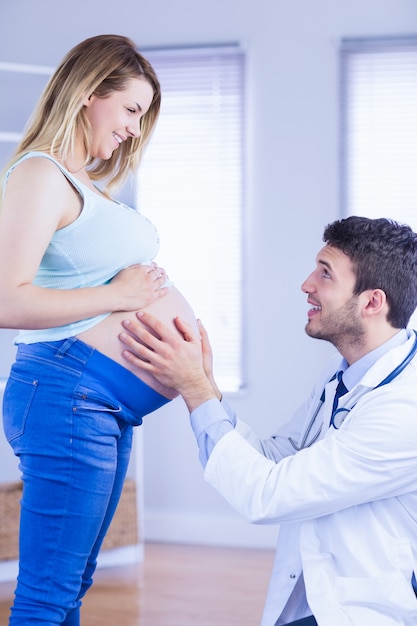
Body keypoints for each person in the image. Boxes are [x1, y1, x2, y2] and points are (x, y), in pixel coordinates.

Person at [119, 216, 417, 626]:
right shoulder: (345, 373)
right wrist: (208, 388)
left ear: (371, 302)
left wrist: (193, 389)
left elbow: (267, 495)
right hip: (317, 600)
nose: (307, 284)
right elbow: (280, 456)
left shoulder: (404, 410)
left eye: (325, 274)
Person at [0, 34, 198, 625]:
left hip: (100, 404)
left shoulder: (84, 185)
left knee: (72, 582)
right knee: (49, 591)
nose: (135, 130)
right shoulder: (39, 174)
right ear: (89, 93)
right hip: (67, 397)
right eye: (132, 109)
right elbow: (7, 298)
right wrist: (121, 294)